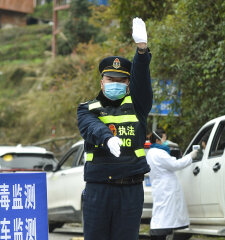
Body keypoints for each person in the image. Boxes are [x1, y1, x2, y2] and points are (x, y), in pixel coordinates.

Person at [77, 17, 152, 240]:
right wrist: (107, 138)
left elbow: (143, 83)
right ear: (102, 82)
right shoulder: (87, 108)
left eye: (121, 80)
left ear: (128, 84)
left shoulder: (138, 106)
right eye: (110, 78)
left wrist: (141, 52)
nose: (116, 83)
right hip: (98, 189)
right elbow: (90, 127)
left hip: (130, 190)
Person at [146, 129, 197, 240]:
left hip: (161, 186)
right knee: (165, 215)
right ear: (157, 140)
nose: (166, 141)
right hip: (166, 187)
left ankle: (163, 234)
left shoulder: (151, 152)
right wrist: (190, 157)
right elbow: (175, 164)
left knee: (163, 213)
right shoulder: (159, 153)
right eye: (164, 138)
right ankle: (159, 235)